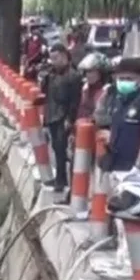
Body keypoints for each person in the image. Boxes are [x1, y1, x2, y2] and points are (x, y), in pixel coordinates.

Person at [99, 58, 140, 176]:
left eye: (129, 79)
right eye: (121, 79)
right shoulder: (116, 100)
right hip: (114, 163)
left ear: (139, 79)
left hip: (133, 166)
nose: (125, 82)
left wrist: (138, 166)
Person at [40, 45, 82, 197]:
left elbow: (74, 101)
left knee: (61, 149)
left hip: (63, 115)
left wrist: (69, 119)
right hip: (52, 114)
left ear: (65, 57)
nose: (53, 62)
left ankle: (61, 180)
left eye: (56, 58)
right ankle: (60, 177)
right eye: (52, 58)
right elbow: (46, 96)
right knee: (56, 148)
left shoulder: (73, 76)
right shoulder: (51, 75)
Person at [76, 52, 111, 120]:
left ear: (101, 72)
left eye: (91, 71)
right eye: (86, 72)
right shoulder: (84, 89)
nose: (88, 75)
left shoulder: (108, 91)